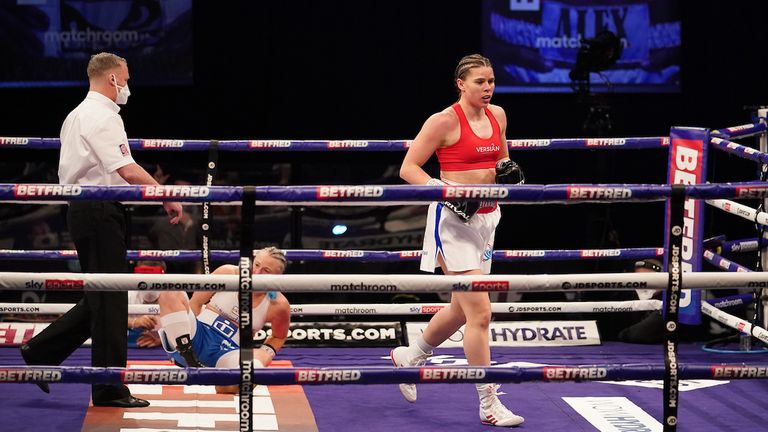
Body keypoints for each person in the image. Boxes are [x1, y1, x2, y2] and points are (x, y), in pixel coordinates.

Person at [20, 52, 183, 408]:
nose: (128, 86)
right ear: (113, 79)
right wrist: (165, 194)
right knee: (110, 297)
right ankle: (108, 388)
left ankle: (40, 350)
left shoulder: (75, 115)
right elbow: (125, 168)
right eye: (126, 78)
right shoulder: (103, 117)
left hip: (86, 210)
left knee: (103, 296)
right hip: (98, 208)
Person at [391, 54, 525, 427]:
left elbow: (502, 164)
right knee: (480, 312)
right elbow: (408, 169)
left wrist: (509, 176)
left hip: (487, 218)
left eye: (492, 81)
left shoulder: (498, 115)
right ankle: (488, 402)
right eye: (480, 81)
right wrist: (446, 191)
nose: (487, 88)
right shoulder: (444, 121)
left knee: (460, 308)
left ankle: (411, 356)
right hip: (453, 222)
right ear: (461, 84)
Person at [156, 247, 291, 394]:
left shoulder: (278, 304)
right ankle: (188, 358)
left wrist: (263, 354)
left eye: (266, 271)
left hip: (228, 352)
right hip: (196, 337)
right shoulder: (227, 273)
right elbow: (195, 302)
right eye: (256, 265)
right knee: (170, 291)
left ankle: (224, 383)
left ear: (277, 276)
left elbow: (279, 336)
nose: (256, 273)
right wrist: (180, 331)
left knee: (254, 370)